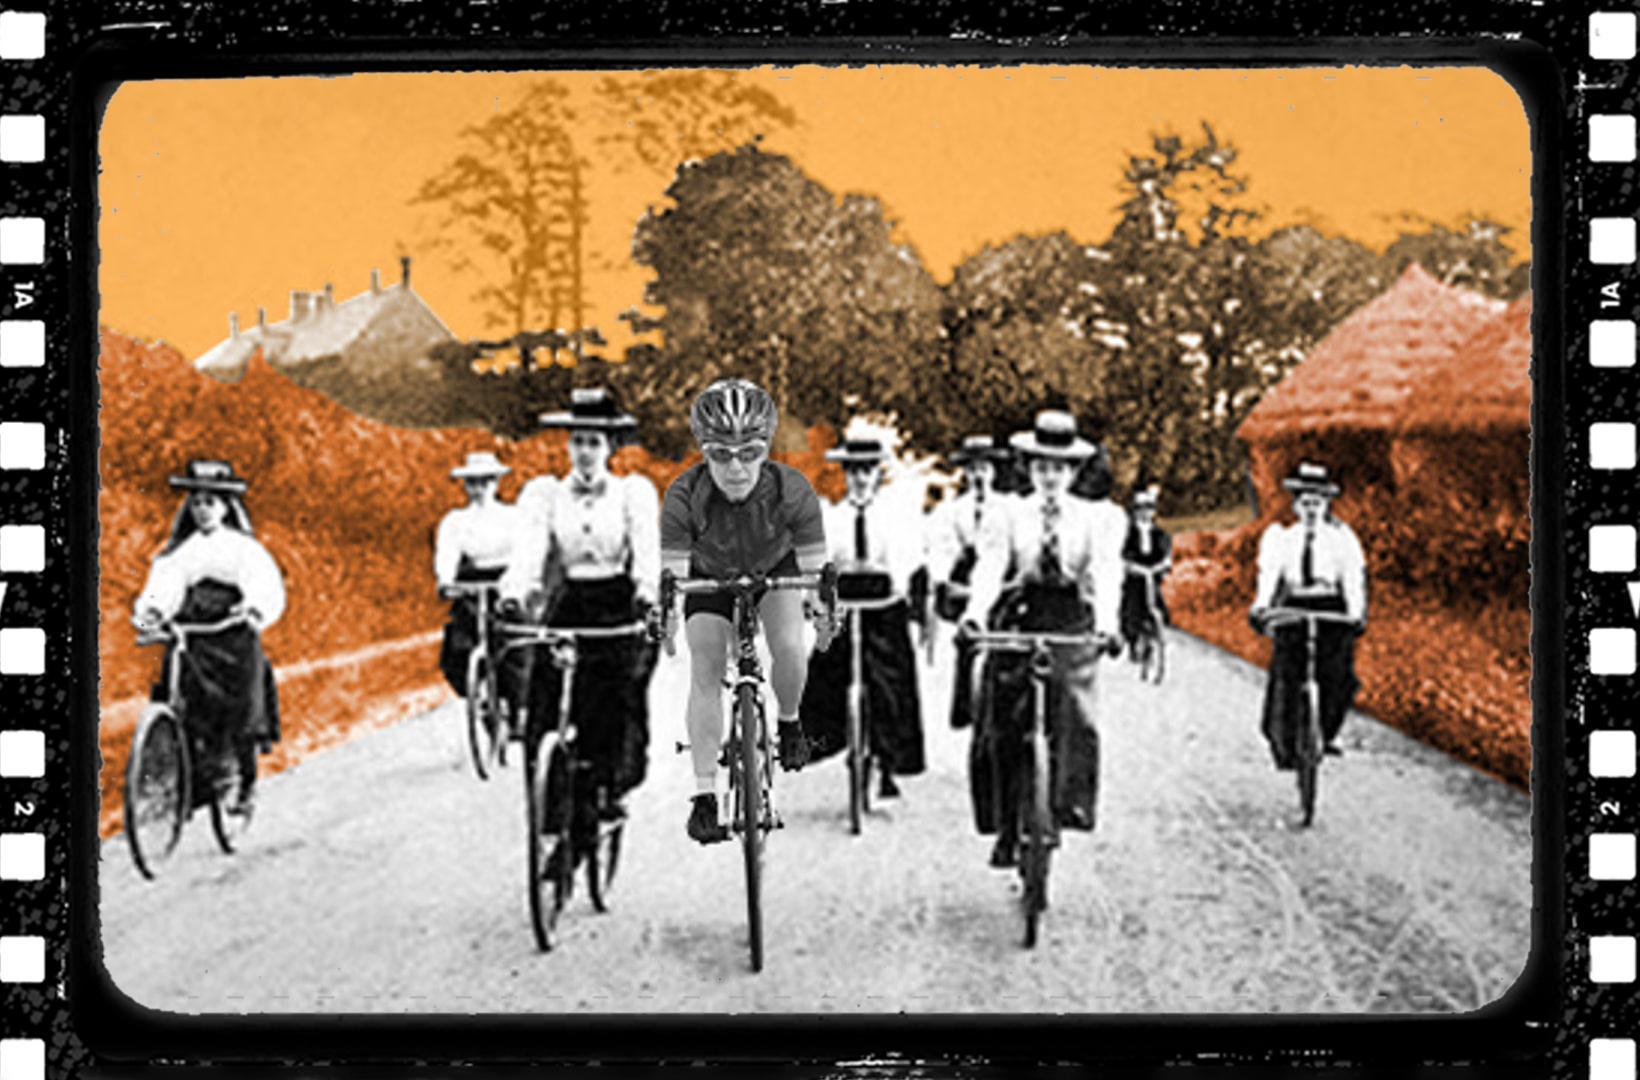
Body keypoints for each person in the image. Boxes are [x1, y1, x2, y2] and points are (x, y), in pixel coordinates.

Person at [657, 377, 833, 845]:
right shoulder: (683, 495)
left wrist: (819, 600)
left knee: (791, 649)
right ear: (703, 451)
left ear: (766, 448)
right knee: (707, 666)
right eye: (720, 454)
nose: (736, 468)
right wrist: (669, 612)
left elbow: (816, 568)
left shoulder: (791, 489)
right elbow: (673, 576)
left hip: (774, 572)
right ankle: (704, 797)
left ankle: (790, 722)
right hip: (709, 576)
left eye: (750, 452)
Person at [961, 411, 1126, 869]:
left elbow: (1105, 572)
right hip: (1020, 613)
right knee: (1002, 719)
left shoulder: (1098, 518)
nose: (1049, 476)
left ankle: (1065, 809)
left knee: (1076, 716)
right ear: (1029, 469)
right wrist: (976, 615)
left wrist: (1108, 624)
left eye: (1058, 467)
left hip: (1070, 617)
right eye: (1041, 466)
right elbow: (991, 566)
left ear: (1072, 472)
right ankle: (1008, 826)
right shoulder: (1008, 513)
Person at [501, 388, 660, 819]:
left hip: (618, 605)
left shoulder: (631, 494)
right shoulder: (546, 494)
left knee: (617, 701)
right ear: (568, 446)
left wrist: (648, 596)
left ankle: (608, 793)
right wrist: (515, 594)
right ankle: (552, 817)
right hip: (570, 603)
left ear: (610, 447)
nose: (585, 452)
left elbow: (647, 553)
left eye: (594, 442)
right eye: (578, 442)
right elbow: (528, 552)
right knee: (545, 701)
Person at [132, 460, 286, 813]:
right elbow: (163, 588)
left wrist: (251, 608)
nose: (203, 510)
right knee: (183, 701)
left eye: (211, 503)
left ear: (226, 507)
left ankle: (246, 785)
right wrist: (153, 613)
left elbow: (263, 585)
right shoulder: (180, 552)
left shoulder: (244, 549)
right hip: (194, 635)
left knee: (241, 711)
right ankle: (191, 784)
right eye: (197, 503)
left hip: (231, 636)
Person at [799, 435, 927, 799]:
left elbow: (906, 556)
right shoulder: (832, 516)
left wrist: (900, 587)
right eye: (853, 471)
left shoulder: (893, 515)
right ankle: (832, 741)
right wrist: (812, 597)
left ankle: (889, 759)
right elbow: (817, 562)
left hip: (883, 601)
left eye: (867, 471)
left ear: (877, 474)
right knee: (826, 672)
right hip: (843, 599)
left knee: (891, 677)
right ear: (845, 474)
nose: (859, 478)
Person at [1248, 461, 1368, 764]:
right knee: (1286, 673)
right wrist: (1262, 606)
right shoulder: (1282, 538)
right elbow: (1269, 575)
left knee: (1340, 677)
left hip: (1330, 608)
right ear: (1297, 505)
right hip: (1294, 606)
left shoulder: (1342, 539)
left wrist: (1355, 612)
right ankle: (1286, 744)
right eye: (1306, 502)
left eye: (1318, 501)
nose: (1312, 508)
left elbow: (1353, 578)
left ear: (1326, 504)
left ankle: (1325, 733)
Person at [929, 434, 1014, 730]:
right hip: (964, 584)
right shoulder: (952, 511)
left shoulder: (1009, 508)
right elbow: (942, 547)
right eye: (973, 469)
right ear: (966, 473)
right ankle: (966, 708)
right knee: (968, 641)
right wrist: (942, 577)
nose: (979, 475)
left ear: (994, 472)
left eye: (985, 468)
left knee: (1008, 646)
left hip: (1003, 585)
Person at [434, 452, 525, 710]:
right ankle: (481, 697)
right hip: (472, 584)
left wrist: (515, 582)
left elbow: (524, 552)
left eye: (485, 481)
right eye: (473, 482)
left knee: (515, 645)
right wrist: (446, 579)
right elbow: (447, 553)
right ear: (465, 485)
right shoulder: (455, 521)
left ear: (496, 483)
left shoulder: (513, 517)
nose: (479, 488)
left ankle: (517, 705)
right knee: (458, 647)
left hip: (509, 581)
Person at [1119, 487, 1173, 662]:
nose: (1144, 513)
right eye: (1140, 509)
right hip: (1134, 574)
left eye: (1148, 508)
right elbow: (1121, 553)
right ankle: (1132, 639)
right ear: (1134, 512)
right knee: (1131, 605)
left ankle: (1155, 634)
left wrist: (1164, 563)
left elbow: (1166, 553)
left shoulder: (1159, 533)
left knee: (1157, 604)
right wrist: (1128, 565)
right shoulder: (1127, 533)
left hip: (1152, 573)